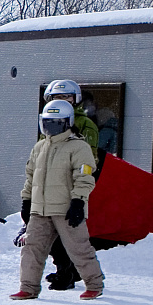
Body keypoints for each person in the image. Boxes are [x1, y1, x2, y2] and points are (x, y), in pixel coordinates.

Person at [12, 99, 104, 301]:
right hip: (40, 209)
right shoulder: (39, 147)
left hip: (66, 208)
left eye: (56, 123)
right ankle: (28, 287)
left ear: (67, 122)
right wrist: (27, 201)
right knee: (32, 249)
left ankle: (94, 284)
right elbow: (30, 176)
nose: (51, 127)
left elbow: (85, 176)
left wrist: (78, 201)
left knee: (78, 248)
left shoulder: (78, 147)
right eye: (47, 123)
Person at [41, 79, 98, 290]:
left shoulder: (85, 125)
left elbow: (88, 161)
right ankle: (64, 269)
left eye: (67, 97)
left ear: (76, 100)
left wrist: (79, 193)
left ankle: (69, 273)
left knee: (70, 231)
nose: (62, 101)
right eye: (57, 97)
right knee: (51, 231)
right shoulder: (48, 123)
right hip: (50, 185)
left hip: (72, 185)